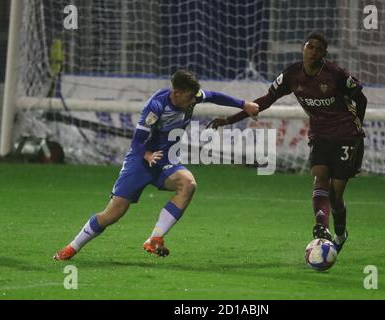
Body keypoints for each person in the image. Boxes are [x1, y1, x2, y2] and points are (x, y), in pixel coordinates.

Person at [53, 70, 259, 260]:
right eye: (188, 98)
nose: (192, 102)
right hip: (140, 161)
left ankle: (155, 238)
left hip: (166, 160)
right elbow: (136, 141)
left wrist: (243, 104)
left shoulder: (191, 96)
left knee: (188, 184)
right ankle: (72, 247)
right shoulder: (156, 107)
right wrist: (148, 154)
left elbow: (214, 96)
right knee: (113, 213)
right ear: (177, 93)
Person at [206, 32, 367, 253]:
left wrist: (358, 124)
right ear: (303, 48)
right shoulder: (291, 74)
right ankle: (322, 229)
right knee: (319, 178)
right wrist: (229, 120)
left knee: (336, 195)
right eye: (310, 47)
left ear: (324, 54)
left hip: (346, 135)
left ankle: (340, 234)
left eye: (319, 49)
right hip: (320, 135)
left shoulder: (336, 75)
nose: (313, 52)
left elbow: (361, 97)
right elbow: (265, 100)